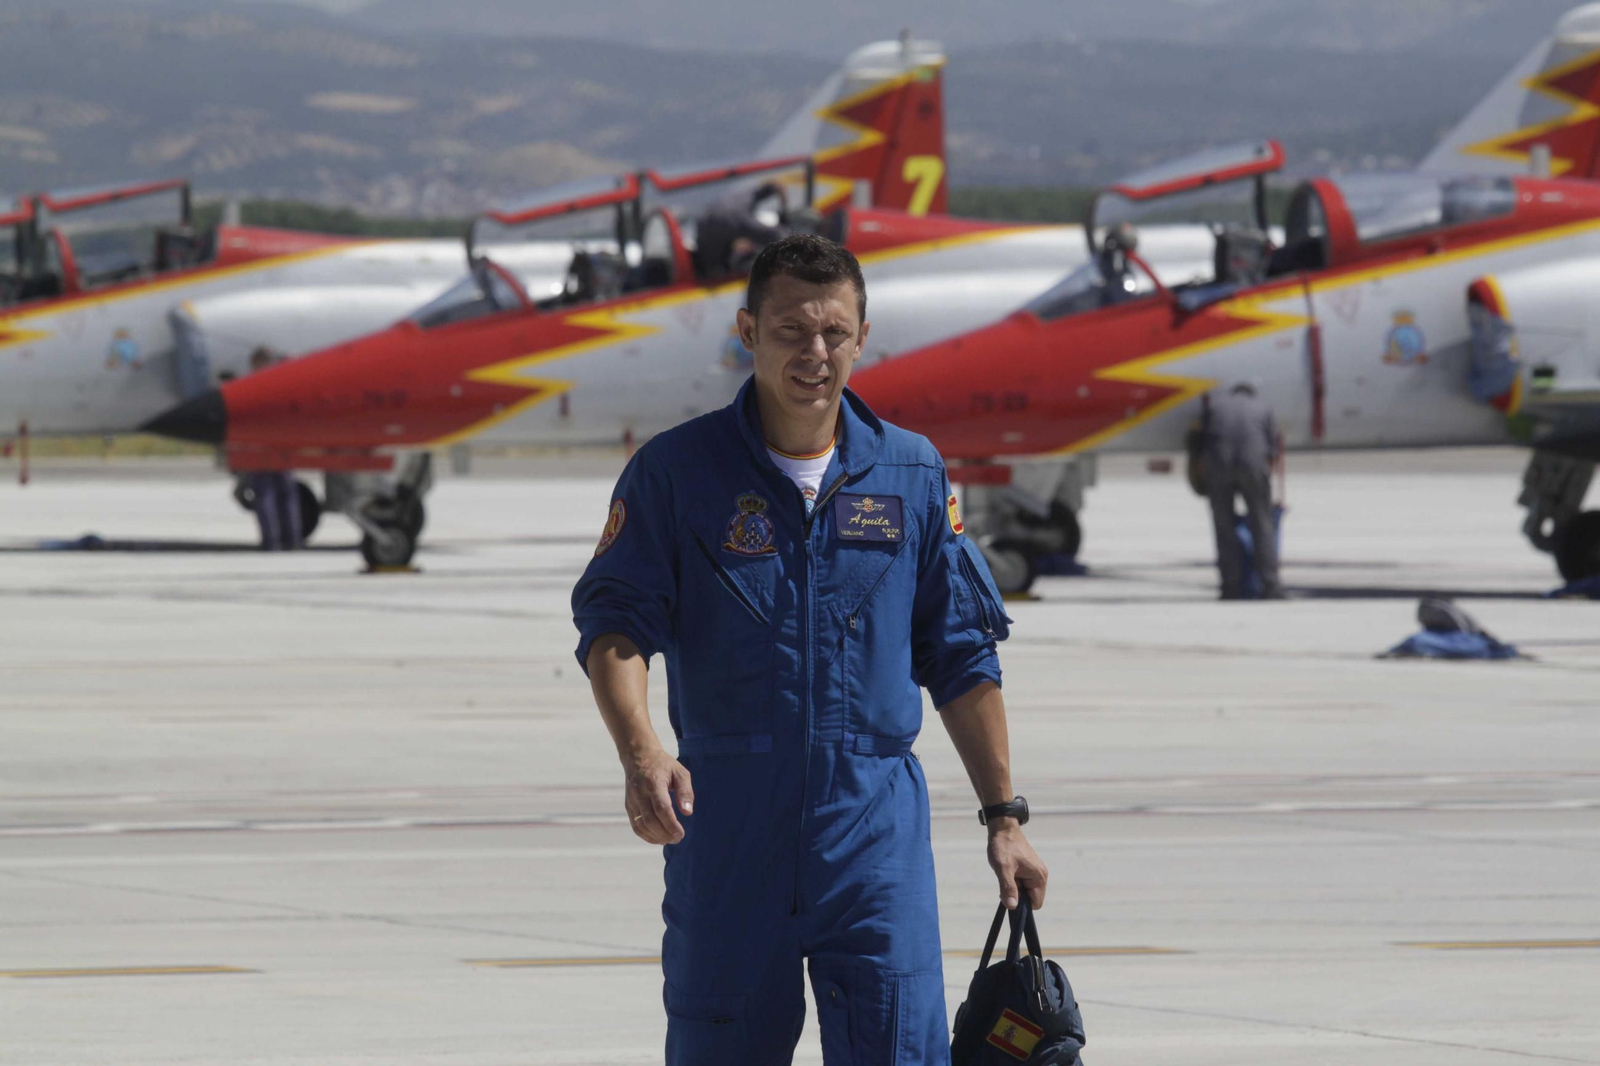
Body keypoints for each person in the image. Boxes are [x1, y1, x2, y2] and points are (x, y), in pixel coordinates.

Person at [572, 234, 1048, 1063]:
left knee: (901, 1048)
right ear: (747, 333)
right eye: (792, 330)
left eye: (835, 333)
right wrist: (641, 751)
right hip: (725, 834)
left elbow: (963, 656)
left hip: (873, 844)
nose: (815, 353)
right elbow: (615, 626)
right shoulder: (677, 474)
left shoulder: (913, 474)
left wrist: (1005, 819)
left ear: (863, 339)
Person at [1201, 382, 1283, 599]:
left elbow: (1203, 443)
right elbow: (1273, 450)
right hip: (1253, 466)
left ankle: (1230, 586)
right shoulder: (1263, 407)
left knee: (1224, 528)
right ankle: (1270, 585)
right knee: (1262, 526)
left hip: (1220, 466)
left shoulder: (1216, 407)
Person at [240, 347, 302, 551]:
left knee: (266, 494)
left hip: (262, 446)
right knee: (287, 494)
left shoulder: (252, 386)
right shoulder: (284, 383)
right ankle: (292, 540)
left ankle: (271, 541)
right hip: (282, 444)